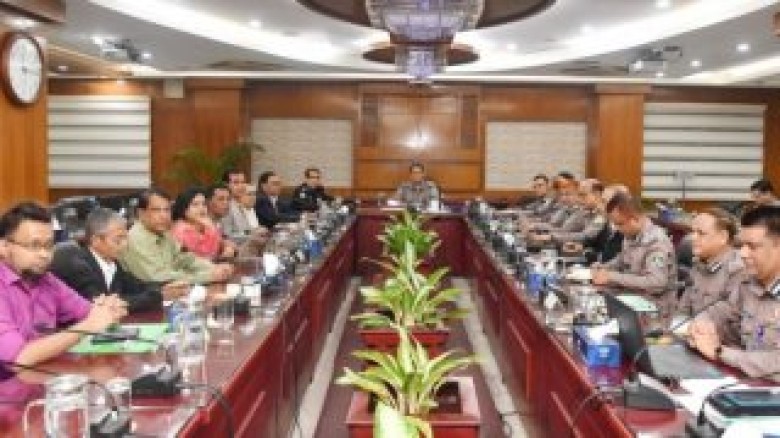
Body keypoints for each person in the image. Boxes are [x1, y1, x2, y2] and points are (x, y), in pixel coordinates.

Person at [0, 202, 126, 369]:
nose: (44, 255)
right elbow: (18, 358)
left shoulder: (47, 280)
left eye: (48, 246)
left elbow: (88, 312)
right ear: (4, 246)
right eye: (34, 245)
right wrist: (89, 326)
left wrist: (108, 310)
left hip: (44, 375)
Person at [689, 206, 780, 379]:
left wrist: (720, 351)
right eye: (741, 245)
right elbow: (722, 312)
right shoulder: (748, 284)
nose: (743, 253)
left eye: (752, 246)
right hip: (748, 383)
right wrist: (700, 326)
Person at [51, 208, 189, 313]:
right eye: (118, 240)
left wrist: (165, 287)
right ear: (96, 240)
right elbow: (104, 304)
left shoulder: (112, 262)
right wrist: (160, 296)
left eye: (125, 238)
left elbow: (137, 286)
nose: (124, 245)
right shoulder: (79, 267)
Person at [592, 193, 677, 322]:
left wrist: (611, 276)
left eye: (619, 224)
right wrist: (603, 267)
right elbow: (622, 259)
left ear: (635, 219)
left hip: (653, 310)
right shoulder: (631, 235)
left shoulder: (657, 242)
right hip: (631, 299)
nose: (617, 229)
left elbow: (656, 282)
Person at [120, 188, 233, 284]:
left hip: (174, 292)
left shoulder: (164, 233)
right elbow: (159, 277)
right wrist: (208, 276)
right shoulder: (136, 238)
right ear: (141, 213)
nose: (163, 215)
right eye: (156, 210)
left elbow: (185, 259)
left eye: (167, 210)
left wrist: (214, 268)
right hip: (149, 297)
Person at [673, 208, 746, 343]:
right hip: (691, 340)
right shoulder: (699, 264)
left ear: (723, 237)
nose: (693, 238)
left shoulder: (739, 270)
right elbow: (683, 309)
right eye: (692, 232)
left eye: (701, 233)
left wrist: (689, 328)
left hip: (722, 346)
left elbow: (726, 317)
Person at [171, 187, 237, 260]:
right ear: (184, 209)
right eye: (195, 205)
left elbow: (225, 244)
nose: (201, 208)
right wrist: (212, 228)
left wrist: (228, 248)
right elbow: (203, 256)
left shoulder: (203, 225)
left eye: (204, 204)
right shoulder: (181, 230)